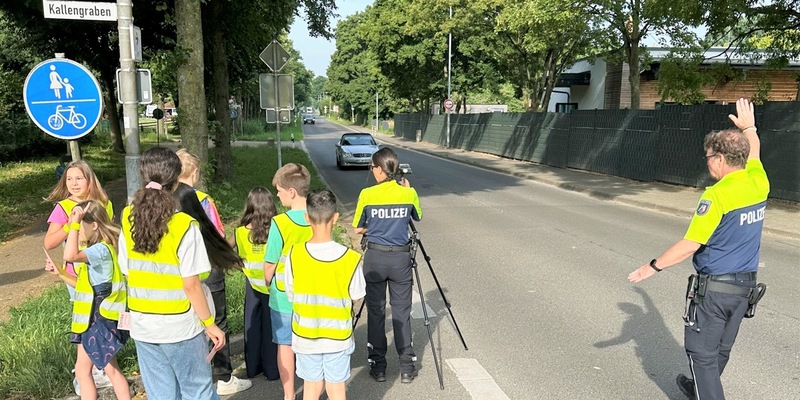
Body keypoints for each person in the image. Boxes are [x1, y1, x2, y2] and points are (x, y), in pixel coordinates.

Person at [628, 98, 768, 400]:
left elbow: (691, 243)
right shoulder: (759, 182)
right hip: (744, 289)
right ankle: (700, 389)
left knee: (701, 356)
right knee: (719, 350)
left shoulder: (717, 196)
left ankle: (705, 390)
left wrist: (651, 267)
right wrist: (751, 128)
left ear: (720, 159)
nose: (706, 162)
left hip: (715, 292)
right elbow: (754, 152)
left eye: (708, 157)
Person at [118, 147, 225, 400]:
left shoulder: (127, 217)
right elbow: (191, 285)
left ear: (144, 176)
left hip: (143, 323)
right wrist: (210, 324)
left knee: (161, 394)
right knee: (197, 391)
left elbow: (126, 269)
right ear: (177, 180)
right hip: (180, 327)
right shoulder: (184, 225)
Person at [176, 149, 253, 395]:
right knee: (217, 320)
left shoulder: (165, 198)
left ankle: (195, 375)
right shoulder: (203, 200)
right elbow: (217, 234)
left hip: (178, 270)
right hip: (207, 267)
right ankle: (224, 377)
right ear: (195, 172)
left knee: (189, 323)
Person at [284, 189, 366, 400]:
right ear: (336, 218)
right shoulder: (350, 258)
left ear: (306, 217)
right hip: (338, 337)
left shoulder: (294, 254)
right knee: (337, 389)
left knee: (311, 388)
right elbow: (357, 294)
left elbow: (291, 293)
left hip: (305, 336)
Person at [45, 200, 130, 400]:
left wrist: (72, 224)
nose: (76, 230)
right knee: (92, 370)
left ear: (94, 225)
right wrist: (60, 274)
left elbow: (70, 254)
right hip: (92, 321)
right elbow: (84, 287)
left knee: (103, 370)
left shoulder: (99, 251)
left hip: (99, 320)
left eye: (80, 224)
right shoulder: (95, 251)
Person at [44, 159, 115, 390]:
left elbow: (110, 234)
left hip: (102, 273)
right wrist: (72, 222)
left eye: (79, 178)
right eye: (69, 179)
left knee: (102, 320)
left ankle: (102, 367)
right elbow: (50, 242)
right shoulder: (62, 207)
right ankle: (84, 373)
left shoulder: (104, 203)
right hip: (77, 276)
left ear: (89, 180)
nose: (74, 184)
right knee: (84, 323)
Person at [353, 147, 422, 383]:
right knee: (402, 312)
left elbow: (357, 228)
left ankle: (378, 367)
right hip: (400, 260)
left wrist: (376, 227)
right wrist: (408, 190)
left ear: (382, 170)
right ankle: (406, 367)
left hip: (375, 258)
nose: (371, 171)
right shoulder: (408, 194)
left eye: (372, 167)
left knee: (376, 312)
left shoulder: (367, 194)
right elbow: (417, 217)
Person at [264, 163, 313, 400]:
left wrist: (267, 284)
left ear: (291, 192)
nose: (278, 194)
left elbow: (270, 264)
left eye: (280, 191)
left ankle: (289, 395)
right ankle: (314, 390)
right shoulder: (318, 218)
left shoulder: (279, 223)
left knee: (285, 345)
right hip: (313, 295)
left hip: (283, 296)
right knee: (311, 345)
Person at [231, 188, 280, 381]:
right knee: (271, 328)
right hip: (272, 284)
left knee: (252, 324)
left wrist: (240, 265)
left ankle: (252, 367)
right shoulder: (276, 230)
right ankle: (272, 369)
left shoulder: (240, 232)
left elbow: (226, 252)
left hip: (251, 284)